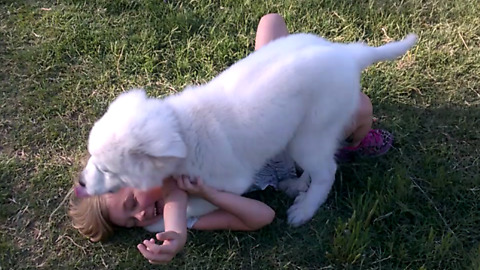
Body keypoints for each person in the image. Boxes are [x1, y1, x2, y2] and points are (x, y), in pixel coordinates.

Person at [69, 13, 394, 264]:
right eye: (130, 223)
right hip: (282, 157)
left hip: (257, 119)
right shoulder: (171, 218)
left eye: (130, 203)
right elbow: (261, 218)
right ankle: (352, 144)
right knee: (360, 109)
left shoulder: (157, 154)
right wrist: (205, 198)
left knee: (271, 23)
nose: (140, 216)